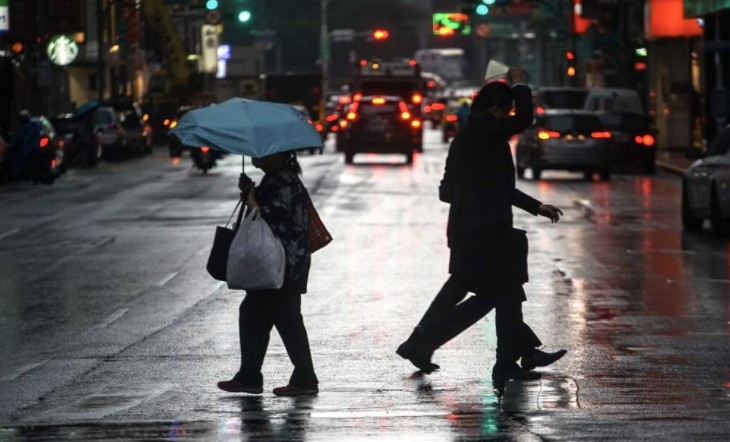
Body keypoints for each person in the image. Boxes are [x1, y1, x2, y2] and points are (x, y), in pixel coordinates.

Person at [397, 69, 567, 382]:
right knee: (498, 294)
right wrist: (521, 87)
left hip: (469, 228)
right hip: (486, 231)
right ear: (495, 110)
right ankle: (428, 342)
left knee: (497, 290)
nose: (509, 119)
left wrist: (533, 205)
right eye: (506, 111)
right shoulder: (486, 129)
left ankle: (519, 354)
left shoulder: (468, 135)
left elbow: (448, 190)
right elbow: (523, 121)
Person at [218, 151, 319, 397]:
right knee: (256, 314)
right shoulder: (277, 178)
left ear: (280, 156)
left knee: (285, 318)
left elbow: (271, 220)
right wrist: (250, 193)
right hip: (278, 263)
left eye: (265, 154)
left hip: (283, 263)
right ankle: (250, 376)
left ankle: (303, 378)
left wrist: (252, 199)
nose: (258, 158)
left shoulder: (283, 181)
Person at [10, 110, 41, 180]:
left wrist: (13, 140)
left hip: (27, 150)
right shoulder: (34, 125)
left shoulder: (27, 127)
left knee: (18, 160)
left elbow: (20, 138)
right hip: (35, 148)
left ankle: (17, 174)